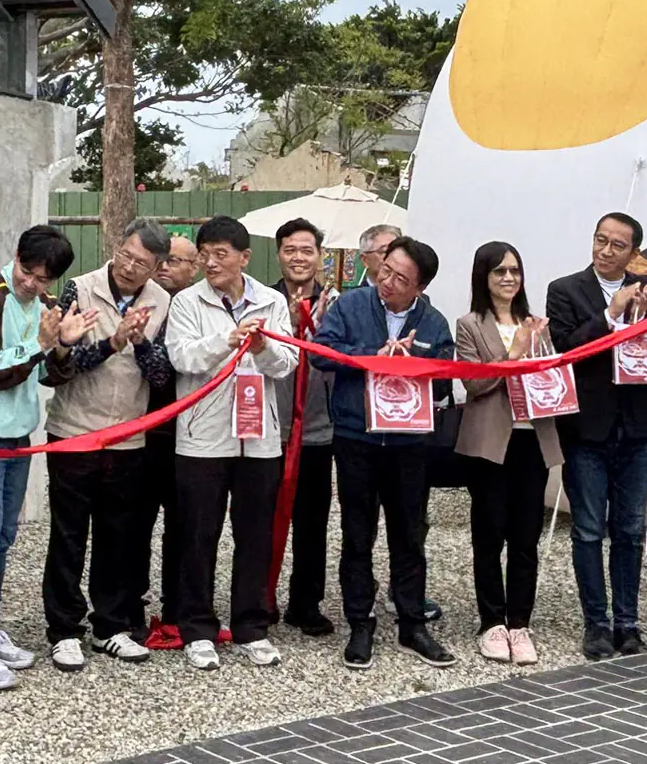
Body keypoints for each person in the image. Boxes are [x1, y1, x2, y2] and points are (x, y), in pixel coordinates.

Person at [0, 225, 89, 690]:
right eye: (27, 274)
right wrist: (41, 345)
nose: (32, 285)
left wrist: (64, 343)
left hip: (19, 435)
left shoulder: (46, 307)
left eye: (43, 280)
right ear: (16, 257)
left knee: (4, 536)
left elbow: (54, 376)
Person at [316, 235, 458, 670]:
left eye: (401, 277)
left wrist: (414, 365)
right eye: (386, 268)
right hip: (357, 437)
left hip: (409, 443)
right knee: (358, 534)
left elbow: (446, 378)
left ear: (420, 287)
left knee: (410, 534)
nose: (387, 281)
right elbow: (323, 351)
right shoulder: (352, 305)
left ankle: (412, 622)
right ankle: (360, 622)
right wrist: (371, 357)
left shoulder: (433, 322)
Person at [163, 216, 298, 669]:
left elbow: (288, 363)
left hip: (259, 436)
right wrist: (228, 339)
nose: (211, 262)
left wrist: (261, 348)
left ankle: (250, 626)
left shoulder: (272, 301)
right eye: (205, 253)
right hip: (203, 436)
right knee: (198, 533)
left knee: (255, 533)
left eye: (222, 254)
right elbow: (182, 357)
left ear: (245, 258)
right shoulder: (186, 301)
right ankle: (196, 627)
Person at [40, 220, 173, 671]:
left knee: (120, 535)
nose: (131, 267)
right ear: (116, 247)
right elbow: (57, 368)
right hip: (74, 429)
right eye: (128, 255)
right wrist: (110, 343)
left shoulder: (163, 302)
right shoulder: (78, 289)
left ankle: (110, 626)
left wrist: (138, 344)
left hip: (128, 437)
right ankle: (63, 630)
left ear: (157, 268)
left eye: (144, 264)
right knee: (68, 534)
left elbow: (161, 377)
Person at [544, 213, 647, 659]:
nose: (606, 250)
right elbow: (566, 349)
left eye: (618, 245)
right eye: (601, 240)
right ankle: (596, 622)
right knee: (590, 529)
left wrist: (644, 315)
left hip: (637, 425)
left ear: (633, 252)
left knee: (631, 530)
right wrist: (611, 314)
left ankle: (628, 622)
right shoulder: (566, 289)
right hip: (587, 426)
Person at [452, 242, 560, 665]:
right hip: (490, 443)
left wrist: (544, 356)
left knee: (526, 536)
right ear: (483, 276)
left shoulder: (536, 323)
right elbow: (473, 385)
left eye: (515, 270)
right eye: (499, 271)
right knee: (488, 532)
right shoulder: (469, 324)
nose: (509, 278)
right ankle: (491, 622)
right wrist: (511, 356)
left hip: (533, 438)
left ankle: (521, 622)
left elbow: (550, 379)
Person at [271, 217, 338, 637]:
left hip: (319, 428)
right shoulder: (263, 299)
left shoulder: (339, 303)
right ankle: (259, 599)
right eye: (290, 250)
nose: (298, 257)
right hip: (269, 427)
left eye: (306, 250)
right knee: (262, 518)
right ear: (279, 254)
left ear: (319, 255)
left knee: (313, 522)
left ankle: (305, 602)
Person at [139, 232, 201, 644]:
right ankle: (129, 607)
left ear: (194, 268)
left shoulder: (199, 307)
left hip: (190, 435)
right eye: (162, 258)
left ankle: (180, 609)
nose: (165, 266)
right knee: (134, 525)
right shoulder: (142, 303)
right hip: (141, 432)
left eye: (176, 261)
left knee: (185, 526)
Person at [354, 223, 400, 288]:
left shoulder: (413, 296)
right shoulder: (353, 297)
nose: (392, 256)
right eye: (384, 251)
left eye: (396, 251)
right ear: (365, 260)